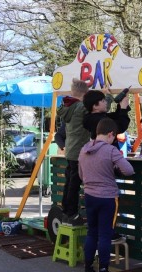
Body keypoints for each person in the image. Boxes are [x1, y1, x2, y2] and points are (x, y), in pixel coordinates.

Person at [78, 118, 134, 272]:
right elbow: (129, 170)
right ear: (110, 134)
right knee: (104, 235)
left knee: (91, 233)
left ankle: (88, 271)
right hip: (108, 197)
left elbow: (81, 175)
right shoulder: (111, 151)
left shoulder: (84, 149)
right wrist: (114, 168)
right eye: (114, 137)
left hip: (89, 196)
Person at [58, 78, 90, 225]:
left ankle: (66, 211)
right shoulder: (80, 107)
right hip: (78, 151)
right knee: (74, 185)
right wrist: (107, 96)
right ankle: (71, 213)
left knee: (69, 183)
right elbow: (96, 108)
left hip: (70, 150)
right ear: (85, 94)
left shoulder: (67, 106)